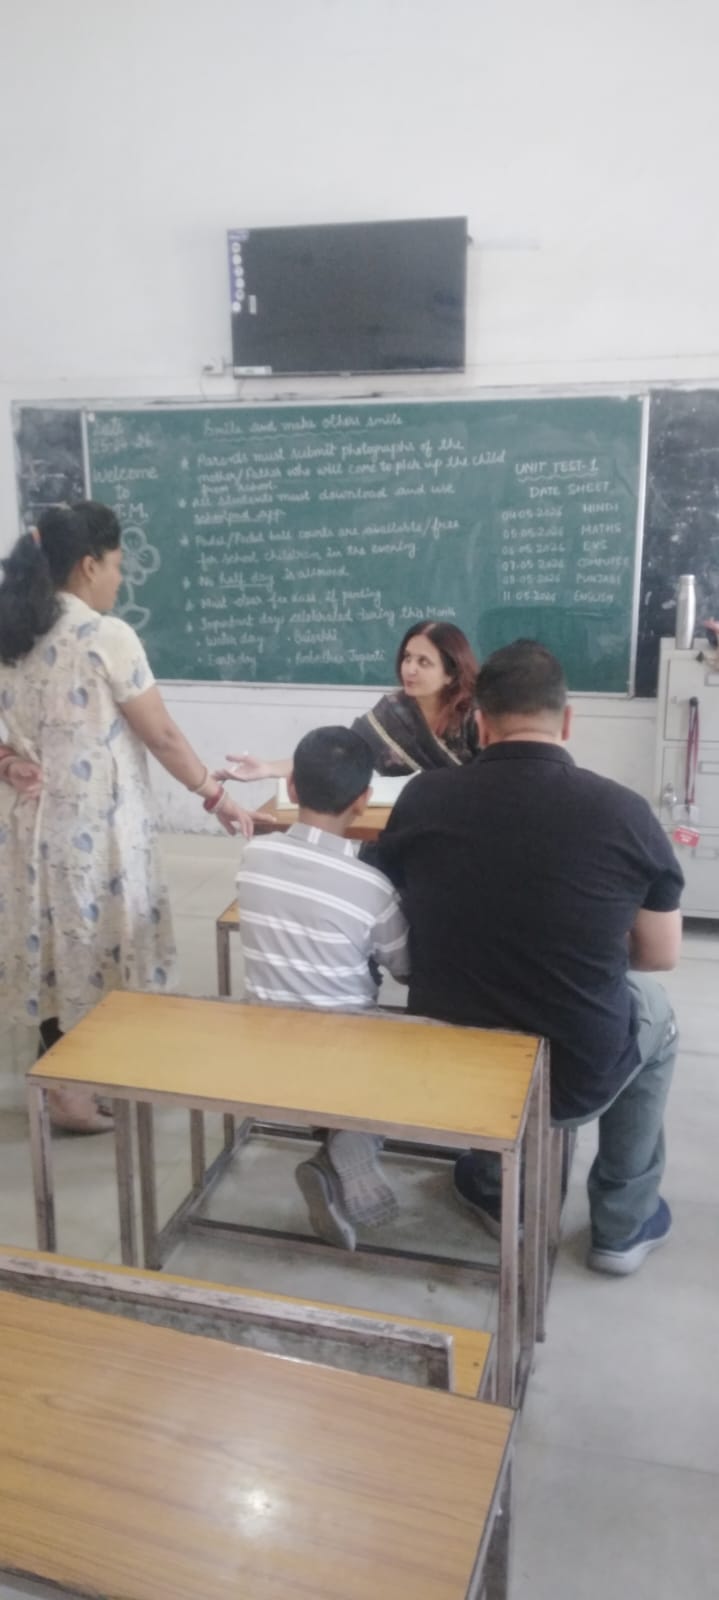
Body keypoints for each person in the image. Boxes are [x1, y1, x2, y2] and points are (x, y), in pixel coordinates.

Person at [369, 639, 684, 1276]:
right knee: (657, 1013)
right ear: (567, 721)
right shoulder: (624, 812)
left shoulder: (424, 797)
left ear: (480, 725)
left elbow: (386, 900)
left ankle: (495, 1189)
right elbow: (659, 954)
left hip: (448, 1067)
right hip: (571, 1079)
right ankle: (622, 1225)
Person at [0, 502, 257, 1132]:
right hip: (96, 829)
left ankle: (66, 1077)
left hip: (29, 825)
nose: (120, 580)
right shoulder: (104, 635)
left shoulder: (12, 630)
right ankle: (76, 1087)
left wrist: (8, 763)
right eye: (117, 566)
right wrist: (215, 795)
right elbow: (161, 735)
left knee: (52, 944)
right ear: (89, 566)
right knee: (98, 942)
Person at [235, 725, 410, 1250]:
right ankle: (353, 1139)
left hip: (260, 1042)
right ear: (363, 800)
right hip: (345, 1051)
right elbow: (405, 969)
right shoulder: (371, 888)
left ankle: (332, 1155)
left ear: (291, 787)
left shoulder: (253, 858)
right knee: (415, 1044)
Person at [217, 619, 480, 785]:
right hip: (409, 821)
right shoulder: (391, 714)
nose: (409, 669)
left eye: (424, 662)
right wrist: (268, 768)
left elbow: (495, 776)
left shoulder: (476, 716)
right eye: (407, 658)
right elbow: (340, 753)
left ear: (450, 674)